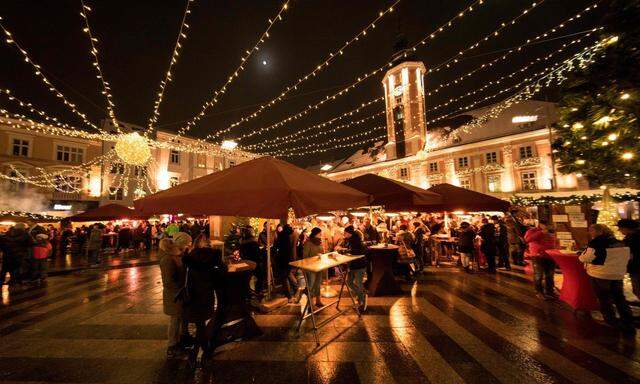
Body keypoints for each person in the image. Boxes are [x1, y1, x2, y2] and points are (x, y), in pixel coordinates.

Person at [579, 224, 634, 335]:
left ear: (599, 232)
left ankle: (610, 321)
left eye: (592, 231)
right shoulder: (620, 242)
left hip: (600, 274)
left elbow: (586, 258)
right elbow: (629, 257)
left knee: (604, 298)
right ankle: (628, 321)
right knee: (619, 298)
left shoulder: (596, 242)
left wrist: (581, 256)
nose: (590, 233)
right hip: (617, 274)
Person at [182, 234, 227, 363]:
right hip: (207, 294)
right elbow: (223, 272)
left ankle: (200, 350)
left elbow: (183, 277)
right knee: (203, 321)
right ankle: (204, 348)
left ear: (195, 244)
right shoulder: (214, 257)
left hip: (193, 295)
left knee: (199, 323)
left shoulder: (189, 258)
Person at [159, 232, 192, 359]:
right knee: (175, 320)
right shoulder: (168, 259)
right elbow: (168, 281)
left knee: (181, 317)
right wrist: (179, 288)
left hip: (180, 293)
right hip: (174, 295)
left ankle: (182, 339)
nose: (189, 245)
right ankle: (172, 346)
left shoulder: (178, 255)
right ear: (181, 243)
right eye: (187, 243)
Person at [524, 220, 558, 299]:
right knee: (538, 275)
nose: (547, 226)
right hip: (538, 256)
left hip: (550, 255)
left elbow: (554, 241)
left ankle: (550, 291)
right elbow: (527, 240)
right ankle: (539, 292)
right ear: (540, 224)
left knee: (550, 275)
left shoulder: (551, 232)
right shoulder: (532, 231)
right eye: (545, 224)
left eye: (549, 224)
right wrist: (541, 232)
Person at [341, 225, 368, 312]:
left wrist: (347, 251)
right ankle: (361, 295)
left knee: (359, 283)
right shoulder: (349, 240)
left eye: (345, 233)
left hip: (359, 265)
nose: (344, 234)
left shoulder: (357, 241)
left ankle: (361, 301)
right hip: (352, 265)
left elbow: (360, 252)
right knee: (349, 282)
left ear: (349, 233)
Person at [618, 219, 640, 301]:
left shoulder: (632, 239)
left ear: (626, 228)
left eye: (620, 228)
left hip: (636, 268)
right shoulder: (630, 237)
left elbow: (629, 253)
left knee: (637, 289)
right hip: (635, 268)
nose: (619, 230)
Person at [302, 227, 324, 307]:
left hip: (319, 266)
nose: (321, 235)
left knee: (318, 284)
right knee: (311, 286)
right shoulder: (308, 243)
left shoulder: (319, 242)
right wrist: (314, 257)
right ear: (315, 234)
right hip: (310, 268)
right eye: (319, 234)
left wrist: (322, 254)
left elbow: (322, 251)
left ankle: (318, 301)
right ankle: (310, 304)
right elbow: (305, 256)